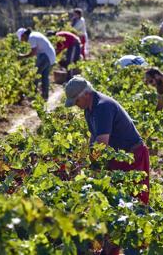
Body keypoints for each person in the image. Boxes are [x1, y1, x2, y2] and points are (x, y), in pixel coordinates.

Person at [64, 76, 150, 204]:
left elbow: (101, 144)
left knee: (135, 201)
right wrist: (85, 158)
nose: (76, 105)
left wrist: (87, 164)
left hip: (132, 156)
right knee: (116, 198)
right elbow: (94, 137)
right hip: (117, 157)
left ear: (86, 94)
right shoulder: (88, 109)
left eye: (76, 101)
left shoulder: (102, 107)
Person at [17, 27, 56, 100]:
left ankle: (32, 95)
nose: (23, 41)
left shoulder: (31, 37)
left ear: (23, 35)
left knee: (35, 74)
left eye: (22, 39)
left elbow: (33, 53)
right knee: (44, 77)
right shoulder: (34, 34)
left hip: (45, 56)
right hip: (51, 57)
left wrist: (22, 56)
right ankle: (45, 97)